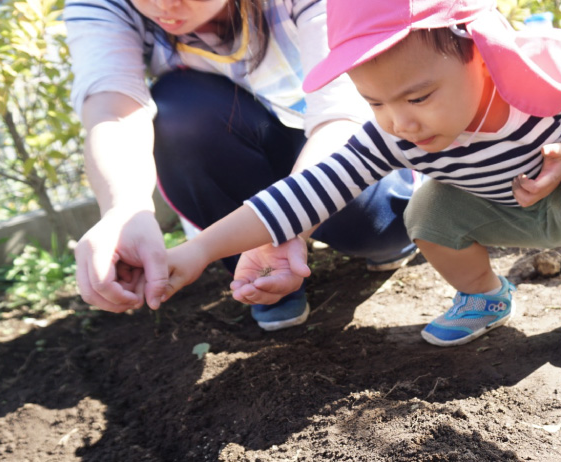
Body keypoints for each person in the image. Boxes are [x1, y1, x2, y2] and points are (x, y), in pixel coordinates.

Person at [157, 0, 561, 360]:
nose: (399, 122)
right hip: (497, 211)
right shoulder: (394, 136)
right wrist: (197, 252)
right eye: (374, 102)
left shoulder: (554, 70)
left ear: (478, 54)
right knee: (427, 208)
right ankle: (484, 296)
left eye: (417, 98)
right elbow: (306, 194)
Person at [64, 0, 421, 331]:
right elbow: (114, 113)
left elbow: (343, 118)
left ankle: (381, 229)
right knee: (180, 112)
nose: (164, 5)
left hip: (339, 146)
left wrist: (287, 225)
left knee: (375, 230)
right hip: (246, 140)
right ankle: (257, 273)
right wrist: (123, 211)